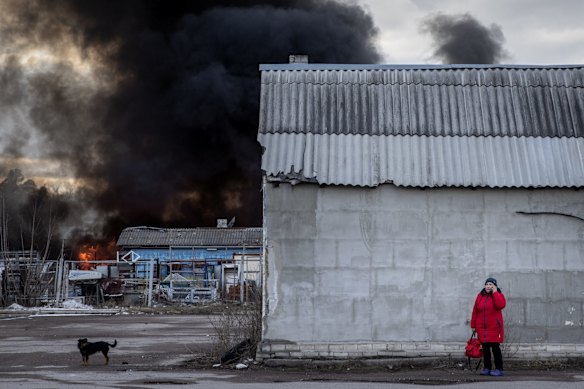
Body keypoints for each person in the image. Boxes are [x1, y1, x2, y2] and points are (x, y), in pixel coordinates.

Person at [470, 277, 506, 376]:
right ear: (485, 285)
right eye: (487, 284)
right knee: (485, 350)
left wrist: (495, 292)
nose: (488, 286)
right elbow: (475, 311)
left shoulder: (498, 295)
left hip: (494, 328)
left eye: (491, 284)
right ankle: (487, 368)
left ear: (494, 286)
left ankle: (499, 369)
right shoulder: (480, 296)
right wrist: (473, 325)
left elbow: (500, 305)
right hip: (482, 329)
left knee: (495, 349)